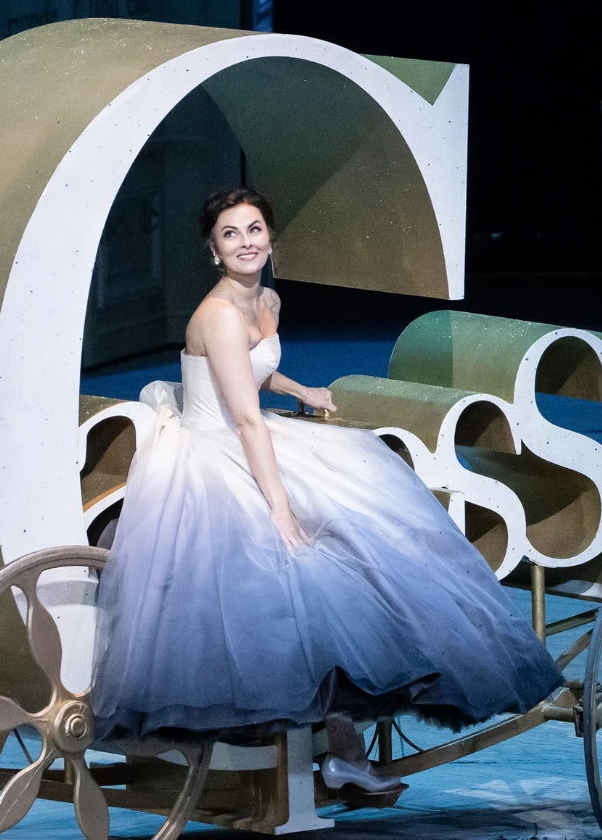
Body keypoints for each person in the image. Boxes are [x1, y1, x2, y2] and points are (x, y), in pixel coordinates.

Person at [91, 188, 564, 792]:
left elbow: (253, 373)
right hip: (216, 449)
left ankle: (345, 749)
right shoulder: (217, 315)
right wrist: (281, 506)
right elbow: (241, 419)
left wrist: (300, 391)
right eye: (231, 234)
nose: (246, 242)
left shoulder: (267, 299)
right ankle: (331, 746)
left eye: (255, 229)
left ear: (270, 238)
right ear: (213, 250)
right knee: (303, 561)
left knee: (370, 542)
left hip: (255, 433)